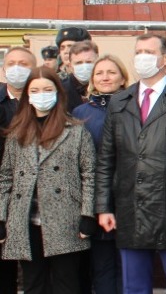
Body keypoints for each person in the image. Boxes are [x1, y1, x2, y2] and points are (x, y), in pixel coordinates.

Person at [94, 33, 166, 294]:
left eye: (149, 52)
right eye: (138, 52)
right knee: (134, 286)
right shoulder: (119, 101)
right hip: (130, 207)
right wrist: (104, 207)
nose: (142, 58)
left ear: (165, 59)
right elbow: (106, 159)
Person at [0, 66, 96, 294]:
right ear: (28, 96)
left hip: (65, 219)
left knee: (66, 283)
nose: (41, 94)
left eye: (47, 89)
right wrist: (1, 217)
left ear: (57, 93)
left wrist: (87, 214)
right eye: (35, 90)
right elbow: (5, 177)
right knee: (33, 282)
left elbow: (89, 174)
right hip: (25, 220)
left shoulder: (75, 131)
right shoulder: (16, 132)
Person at [73, 55, 128, 294]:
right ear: (92, 79)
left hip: (128, 196)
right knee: (102, 265)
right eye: (100, 73)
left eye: (111, 72)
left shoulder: (134, 107)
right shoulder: (80, 112)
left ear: (123, 77)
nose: (105, 77)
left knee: (128, 264)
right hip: (95, 197)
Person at [0, 48, 33, 293]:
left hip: (33, 194)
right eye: (12, 63)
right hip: (2, 191)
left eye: (23, 63)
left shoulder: (46, 100)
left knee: (35, 269)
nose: (17, 68)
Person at [62, 40, 99, 110]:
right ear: (70, 66)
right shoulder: (61, 90)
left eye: (89, 62)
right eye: (79, 63)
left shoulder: (106, 87)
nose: (84, 66)